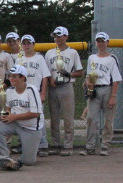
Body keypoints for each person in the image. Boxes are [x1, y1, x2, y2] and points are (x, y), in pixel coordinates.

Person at [0, 65, 44, 166]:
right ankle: (5, 157)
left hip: (31, 129)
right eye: (10, 76)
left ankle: (24, 157)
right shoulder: (10, 91)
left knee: (28, 162)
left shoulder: (31, 90)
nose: (11, 79)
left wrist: (14, 117)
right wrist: (6, 116)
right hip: (16, 124)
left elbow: (36, 113)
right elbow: (8, 108)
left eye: (14, 76)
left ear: (23, 77)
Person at [80, 32, 121, 156]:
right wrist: (88, 85)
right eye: (99, 41)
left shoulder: (112, 58)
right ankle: (90, 146)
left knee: (108, 120)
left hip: (107, 89)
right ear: (96, 43)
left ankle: (105, 145)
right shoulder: (92, 58)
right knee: (91, 118)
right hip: (94, 89)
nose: (101, 43)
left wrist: (113, 96)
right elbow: (89, 75)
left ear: (107, 43)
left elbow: (116, 79)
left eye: (103, 41)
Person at [45, 26, 83, 156]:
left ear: (66, 36)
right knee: (54, 118)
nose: (57, 38)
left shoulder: (72, 52)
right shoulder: (49, 53)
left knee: (68, 117)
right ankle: (55, 144)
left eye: (60, 36)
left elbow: (80, 72)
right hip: (53, 86)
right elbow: (46, 72)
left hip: (66, 86)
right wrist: (50, 80)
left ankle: (68, 145)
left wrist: (68, 74)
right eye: (55, 36)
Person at [20, 35, 51, 157]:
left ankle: (43, 145)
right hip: (23, 93)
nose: (26, 45)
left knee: (39, 118)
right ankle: (27, 145)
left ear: (33, 44)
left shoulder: (39, 58)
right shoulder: (19, 59)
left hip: (36, 92)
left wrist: (43, 93)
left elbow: (45, 77)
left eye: (29, 43)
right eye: (24, 43)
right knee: (24, 119)